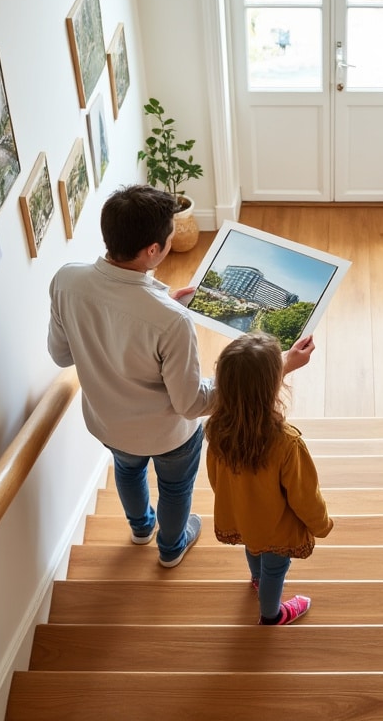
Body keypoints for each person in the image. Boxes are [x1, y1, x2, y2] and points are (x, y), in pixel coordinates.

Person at [47, 185, 313, 568]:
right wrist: (279, 366)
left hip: (107, 423)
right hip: (168, 435)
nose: (171, 240)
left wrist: (153, 310)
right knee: (174, 489)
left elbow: (60, 353)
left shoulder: (66, 281)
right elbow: (192, 403)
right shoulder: (171, 322)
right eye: (169, 236)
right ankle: (171, 548)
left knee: (127, 469)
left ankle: (140, 529)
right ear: (152, 250)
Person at [205, 331, 331, 625]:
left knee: (254, 549)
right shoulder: (286, 443)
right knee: (276, 569)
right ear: (274, 386)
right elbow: (304, 495)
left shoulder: (216, 429)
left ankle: (257, 579)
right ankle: (271, 614)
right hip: (277, 530)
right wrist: (321, 525)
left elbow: (215, 479)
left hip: (242, 518)